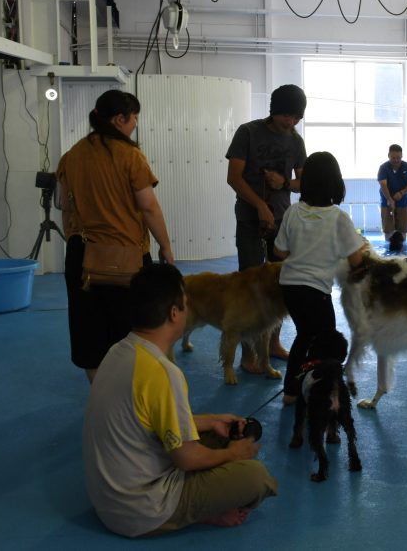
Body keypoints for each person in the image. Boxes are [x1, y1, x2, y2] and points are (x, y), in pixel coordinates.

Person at [82, 263, 277, 538]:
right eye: (185, 304)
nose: (188, 309)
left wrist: (212, 421)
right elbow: (186, 458)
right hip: (140, 511)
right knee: (254, 477)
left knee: (217, 435)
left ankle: (205, 487)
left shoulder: (121, 351)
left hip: (109, 500)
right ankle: (202, 512)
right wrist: (233, 454)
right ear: (174, 314)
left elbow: (146, 417)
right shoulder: (164, 373)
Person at [57, 89, 174, 383]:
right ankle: (130, 401)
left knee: (90, 332)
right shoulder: (130, 156)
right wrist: (166, 246)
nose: (135, 123)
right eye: (134, 117)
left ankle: (101, 396)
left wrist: (76, 240)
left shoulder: (72, 155)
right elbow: (148, 206)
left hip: (82, 258)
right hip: (126, 259)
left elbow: (65, 207)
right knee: (133, 331)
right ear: (119, 119)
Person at [274, 151, 366, 405]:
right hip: (317, 290)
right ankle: (324, 391)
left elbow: (279, 251)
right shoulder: (338, 218)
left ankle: (290, 391)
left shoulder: (293, 212)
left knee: (304, 335)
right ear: (336, 183)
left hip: (290, 287)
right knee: (327, 342)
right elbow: (357, 260)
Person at [226, 84, 307, 368]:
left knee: (280, 285)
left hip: (282, 221)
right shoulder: (247, 132)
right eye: (287, 115)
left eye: (297, 117)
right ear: (274, 111)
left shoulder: (296, 141)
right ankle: (249, 353)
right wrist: (259, 205)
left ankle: (272, 343)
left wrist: (284, 183)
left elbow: (303, 182)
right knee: (250, 285)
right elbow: (234, 178)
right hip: (250, 220)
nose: (291, 122)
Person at [378, 144, 407, 253]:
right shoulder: (383, 168)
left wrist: (402, 192)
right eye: (393, 158)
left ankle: (402, 250)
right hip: (386, 203)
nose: (396, 160)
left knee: (403, 229)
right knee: (388, 229)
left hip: (403, 202)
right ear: (388, 155)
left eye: (398, 157)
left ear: (402, 155)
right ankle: (388, 251)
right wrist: (389, 199)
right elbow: (383, 184)